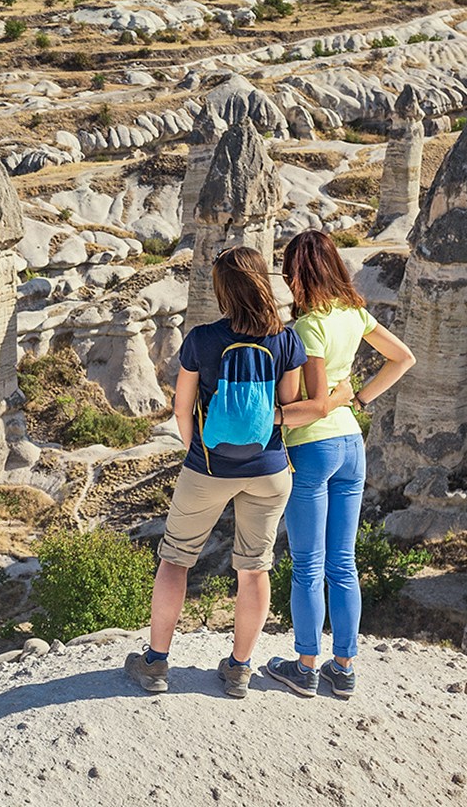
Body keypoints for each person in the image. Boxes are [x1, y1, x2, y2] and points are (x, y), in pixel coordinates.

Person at [125, 246, 344, 698]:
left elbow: (181, 407)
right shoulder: (285, 340)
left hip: (208, 467)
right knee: (254, 569)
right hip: (268, 470)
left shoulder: (202, 339)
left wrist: (195, 451)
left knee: (175, 560)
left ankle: (156, 663)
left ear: (222, 290)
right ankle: (240, 668)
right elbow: (285, 407)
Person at [265, 230, 414, 700]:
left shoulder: (306, 327)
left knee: (308, 565)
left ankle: (306, 666)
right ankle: (344, 668)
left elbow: (315, 402)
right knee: (343, 562)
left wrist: (334, 397)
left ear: (298, 272)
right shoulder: (354, 313)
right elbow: (402, 358)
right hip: (353, 444)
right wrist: (361, 396)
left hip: (312, 446)